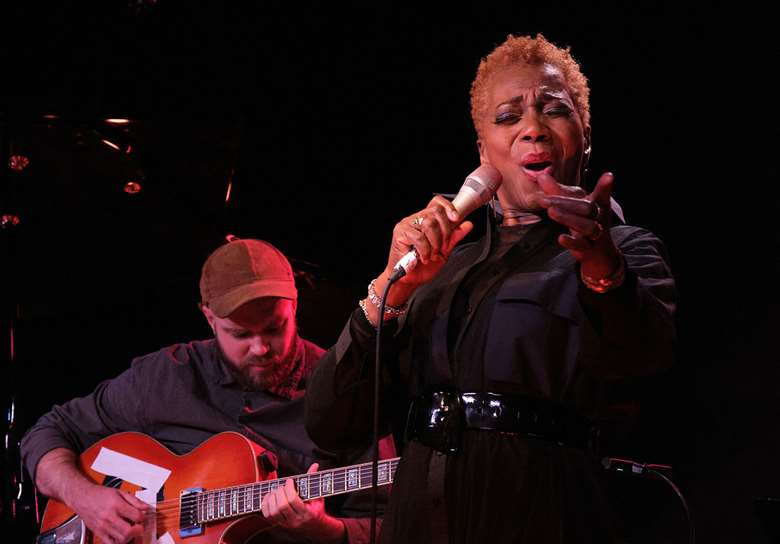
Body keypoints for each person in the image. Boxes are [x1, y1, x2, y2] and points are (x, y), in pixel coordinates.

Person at [304, 33, 676, 543]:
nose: (533, 129)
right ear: (483, 151)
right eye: (508, 117)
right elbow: (330, 423)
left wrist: (600, 264)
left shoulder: (623, 250)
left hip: (545, 516)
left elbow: (641, 361)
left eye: (554, 111)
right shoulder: (441, 266)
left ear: (584, 136)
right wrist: (392, 289)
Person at [21, 238, 394, 544]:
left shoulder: (346, 390)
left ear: (294, 306)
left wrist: (323, 531)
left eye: (274, 328)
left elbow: (389, 526)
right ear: (209, 318)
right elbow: (47, 432)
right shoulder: (167, 376)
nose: (261, 348)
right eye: (240, 334)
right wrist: (84, 496)